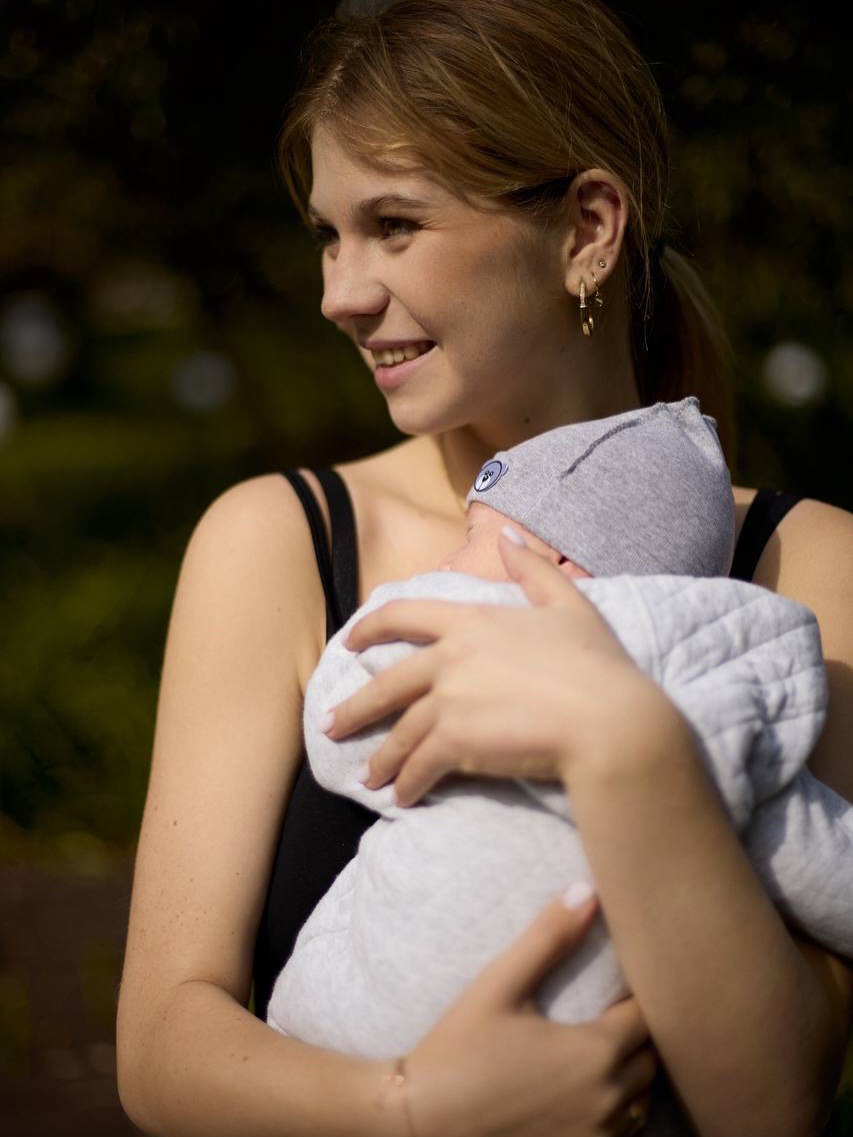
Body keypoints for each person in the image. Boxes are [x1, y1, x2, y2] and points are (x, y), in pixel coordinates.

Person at [116, 2, 853, 1136]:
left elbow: (775, 1102)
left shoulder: (809, 564)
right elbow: (165, 1045)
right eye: (327, 233)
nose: (339, 293)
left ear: (586, 228)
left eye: (395, 224)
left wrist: (625, 746)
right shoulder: (278, 539)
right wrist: (406, 1111)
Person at [267, 399, 852, 1082]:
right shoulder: (717, 698)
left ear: (550, 558)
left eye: (470, 536)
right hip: (587, 1072)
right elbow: (822, 864)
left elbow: (340, 729)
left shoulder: (449, 635)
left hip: (351, 1033)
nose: (445, 560)